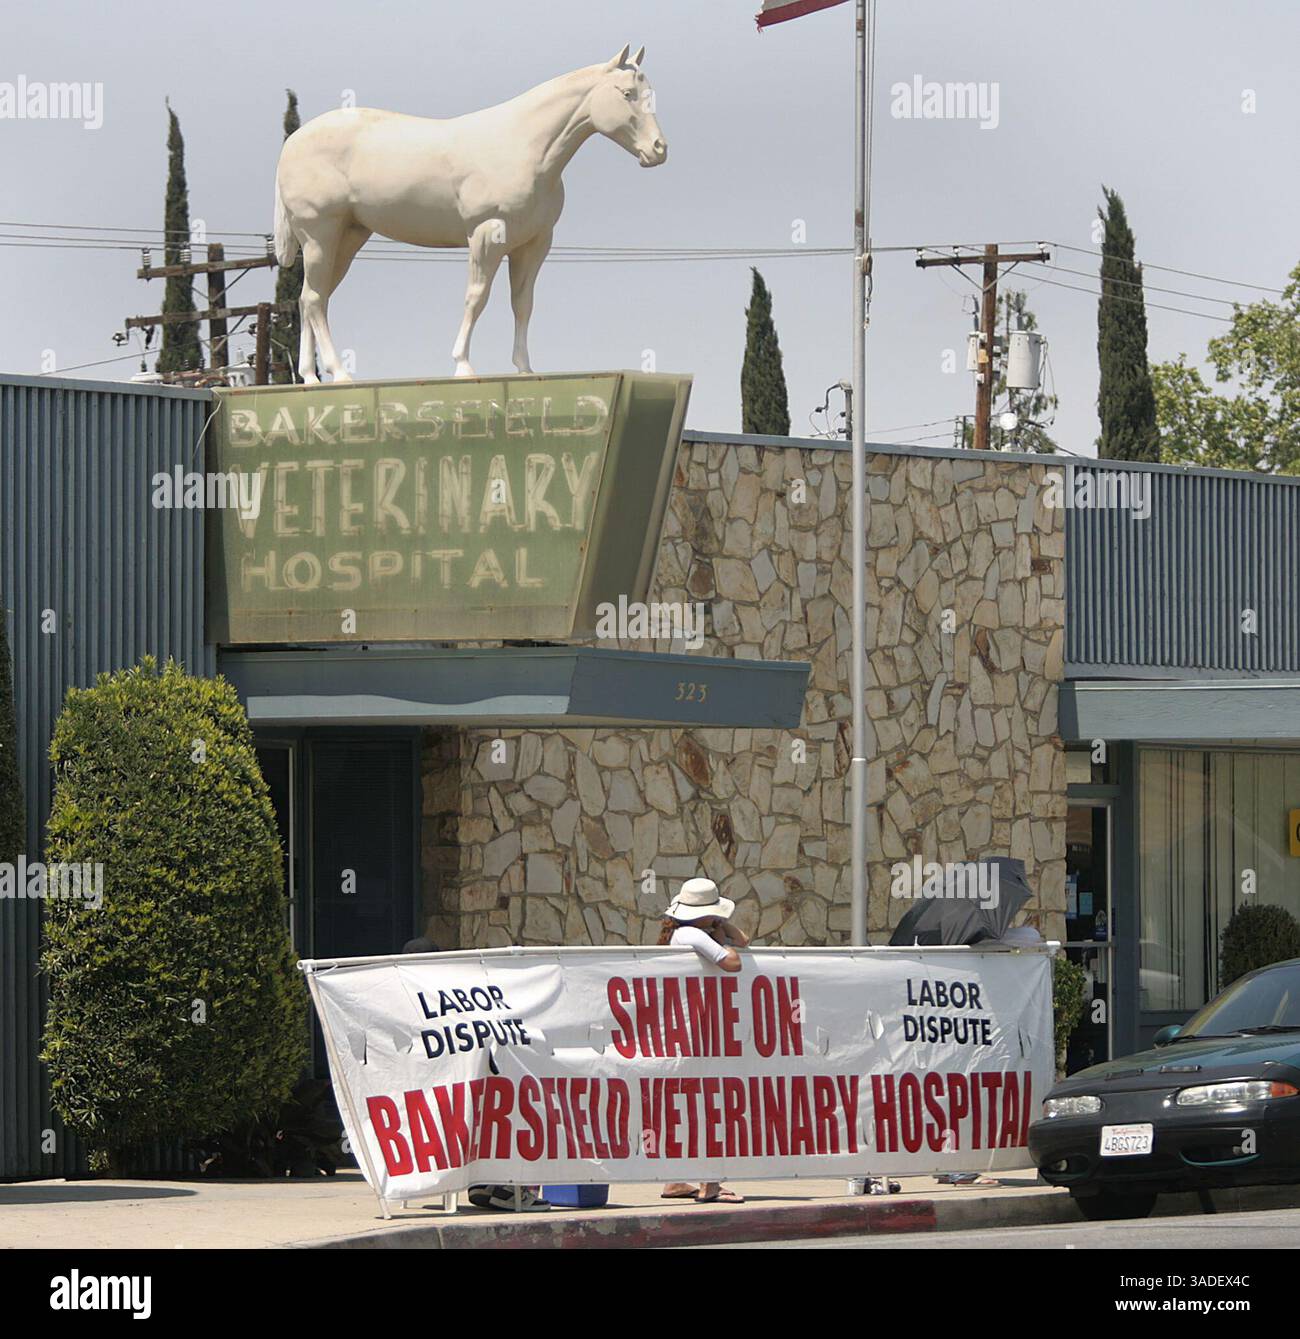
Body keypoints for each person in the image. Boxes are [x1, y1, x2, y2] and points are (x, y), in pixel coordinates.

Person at [658, 877, 749, 1205]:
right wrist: (720, 932)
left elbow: (744, 939)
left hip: (687, 1030)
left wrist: (720, 924)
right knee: (709, 1106)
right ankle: (710, 1184)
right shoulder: (692, 934)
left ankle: (675, 1179)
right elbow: (733, 962)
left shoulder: (684, 932)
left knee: (689, 1106)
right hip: (695, 1033)